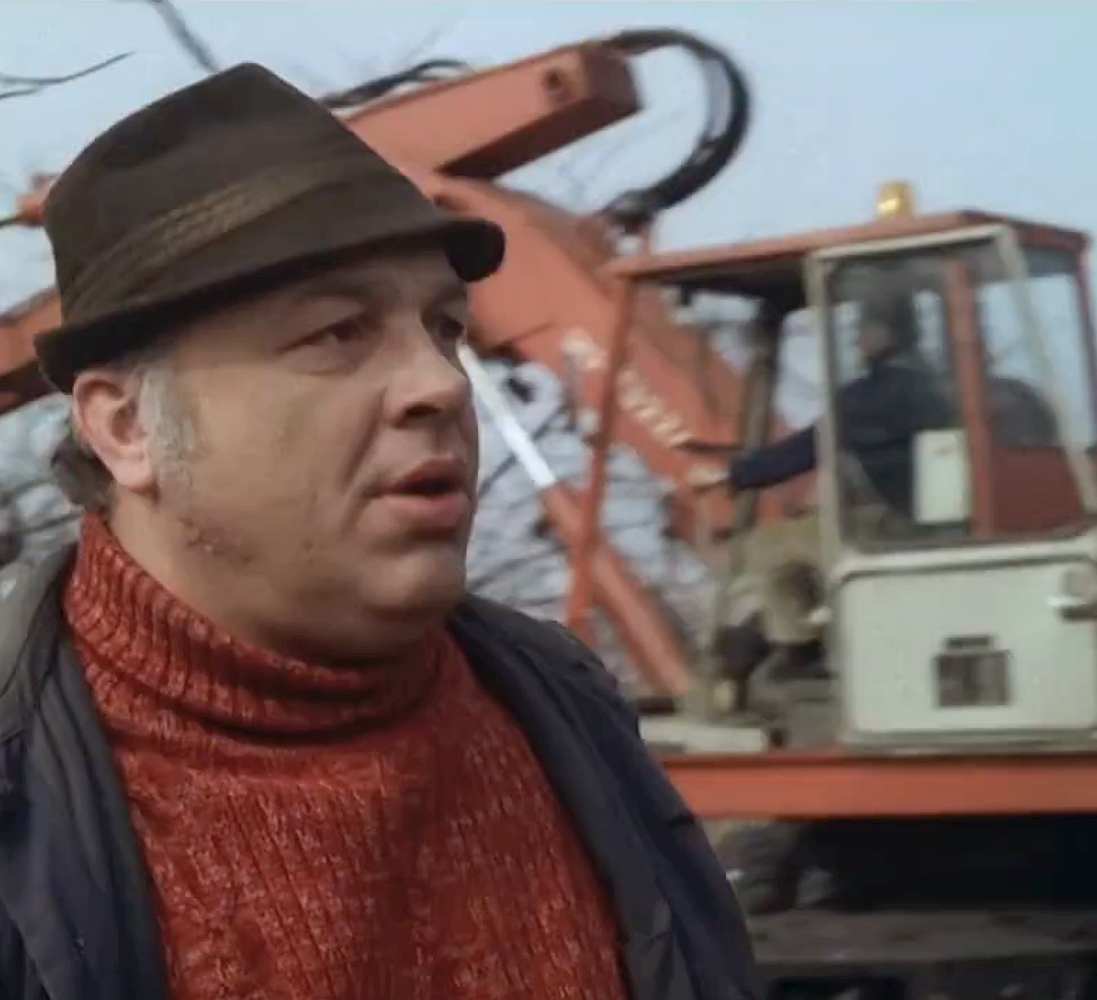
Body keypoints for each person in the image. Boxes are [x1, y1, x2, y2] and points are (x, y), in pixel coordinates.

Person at [0, 66, 759, 1000]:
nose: (441, 384)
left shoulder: (567, 710)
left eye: (444, 328)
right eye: (337, 333)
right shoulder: (23, 789)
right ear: (126, 428)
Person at [689, 290, 956, 516]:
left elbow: (805, 449)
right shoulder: (934, 383)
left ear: (884, 333)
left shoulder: (870, 398)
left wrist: (731, 474)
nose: (856, 340)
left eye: (862, 329)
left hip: (910, 525)